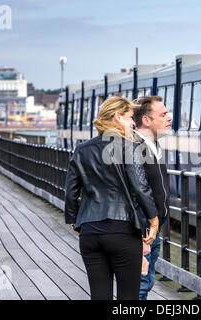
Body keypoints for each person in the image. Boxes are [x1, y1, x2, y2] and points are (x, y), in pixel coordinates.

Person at [64, 96, 159, 300]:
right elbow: (140, 187)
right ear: (117, 116)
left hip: (90, 232)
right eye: (130, 117)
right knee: (128, 298)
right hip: (123, 231)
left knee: (99, 295)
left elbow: (71, 192)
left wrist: (76, 223)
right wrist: (153, 219)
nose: (133, 123)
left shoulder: (81, 150)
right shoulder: (130, 146)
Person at [133, 96, 172, 300]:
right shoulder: (134, 149)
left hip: (152, 230)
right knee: (140, 286)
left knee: (144, 285)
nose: (169, 118)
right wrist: (142, 231)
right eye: (163, 114)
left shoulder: (152, 146)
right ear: (146, 121)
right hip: (143, 232)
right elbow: (132, 193)